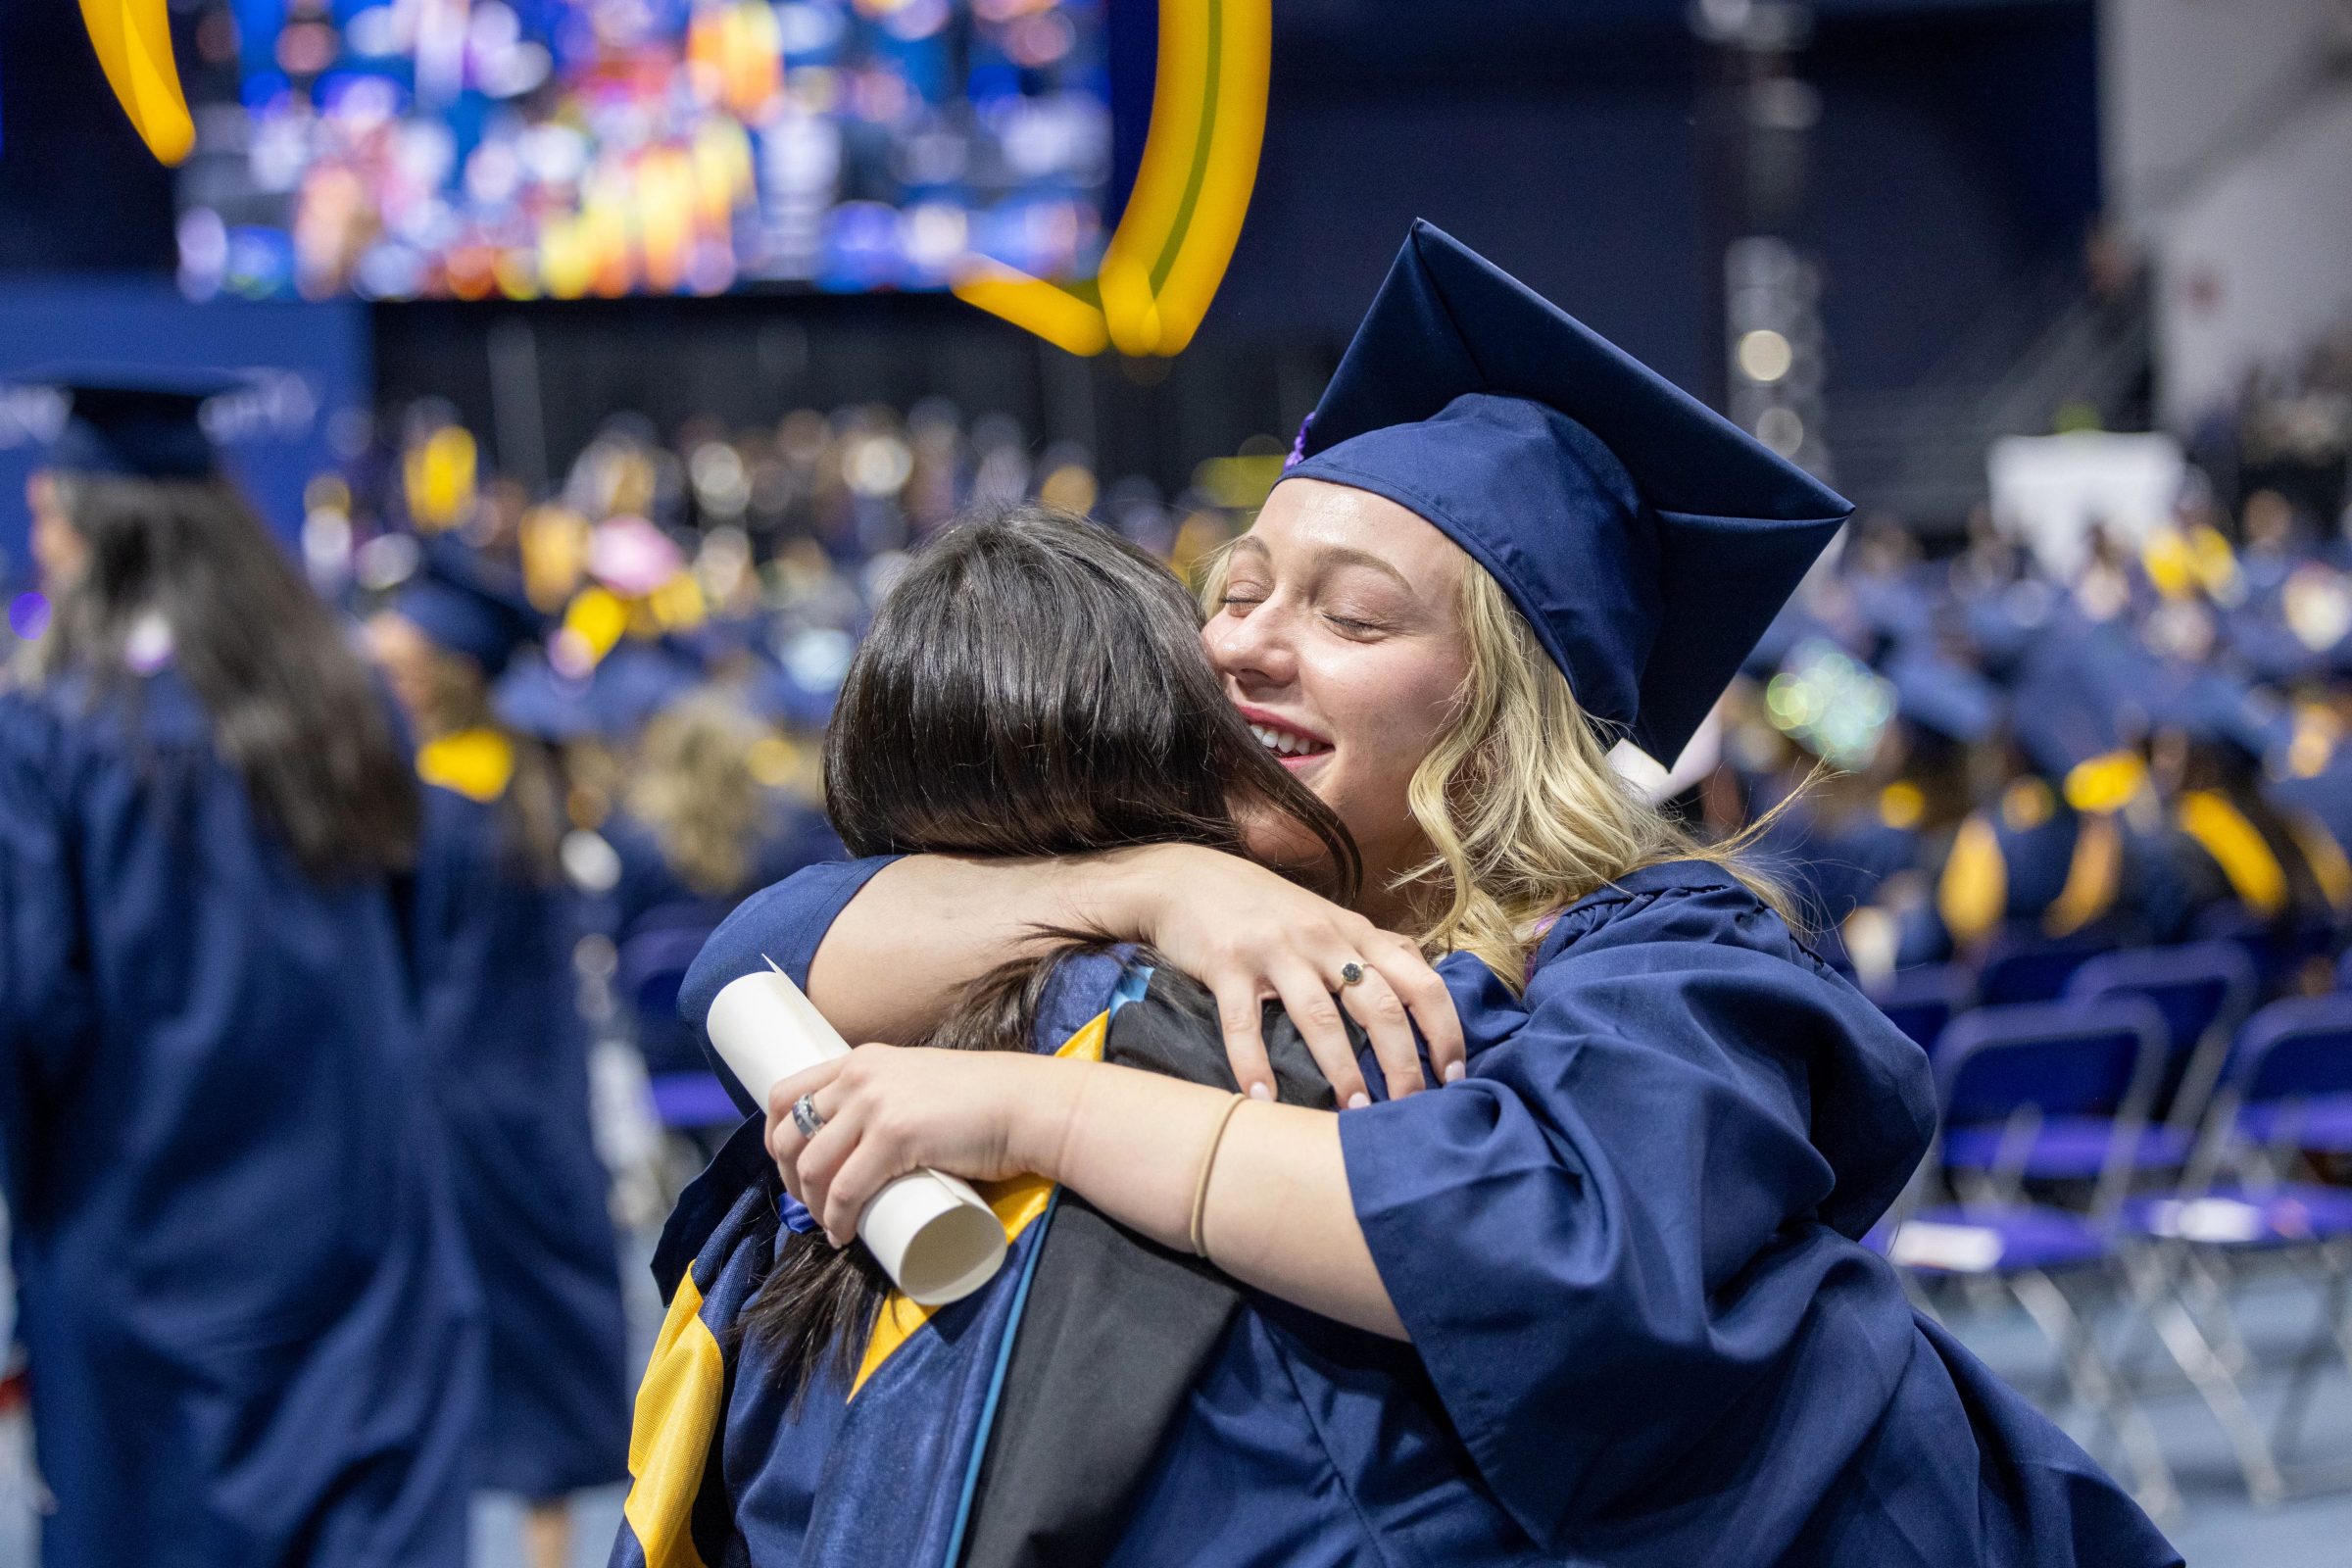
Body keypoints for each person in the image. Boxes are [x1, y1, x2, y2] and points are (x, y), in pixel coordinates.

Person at [672, 224, 2180, 1565]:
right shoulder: (1176, 908)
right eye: (1240, 588)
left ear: (1501, 713)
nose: (1250, 644)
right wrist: (1156, 884)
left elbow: (1554, 1245)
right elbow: (758, 958)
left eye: (1351, 616)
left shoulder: (1666, 955)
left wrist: (1043, 1114)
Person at [0, 373, 480, 1566]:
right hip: (362, 1265)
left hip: (142, 1276)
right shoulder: (346, 708)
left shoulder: (56, 735)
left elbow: (30, 1015)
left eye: (49, 517)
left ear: (92, 533)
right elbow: (412, 964)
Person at [368, 540, 632, 1567]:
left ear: (441, 674)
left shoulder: (434, 806)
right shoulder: (524, 775)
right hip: (536, 1098)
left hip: (445, 1102)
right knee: (538, 1335)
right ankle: (547, 1545)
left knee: (448, 1341)